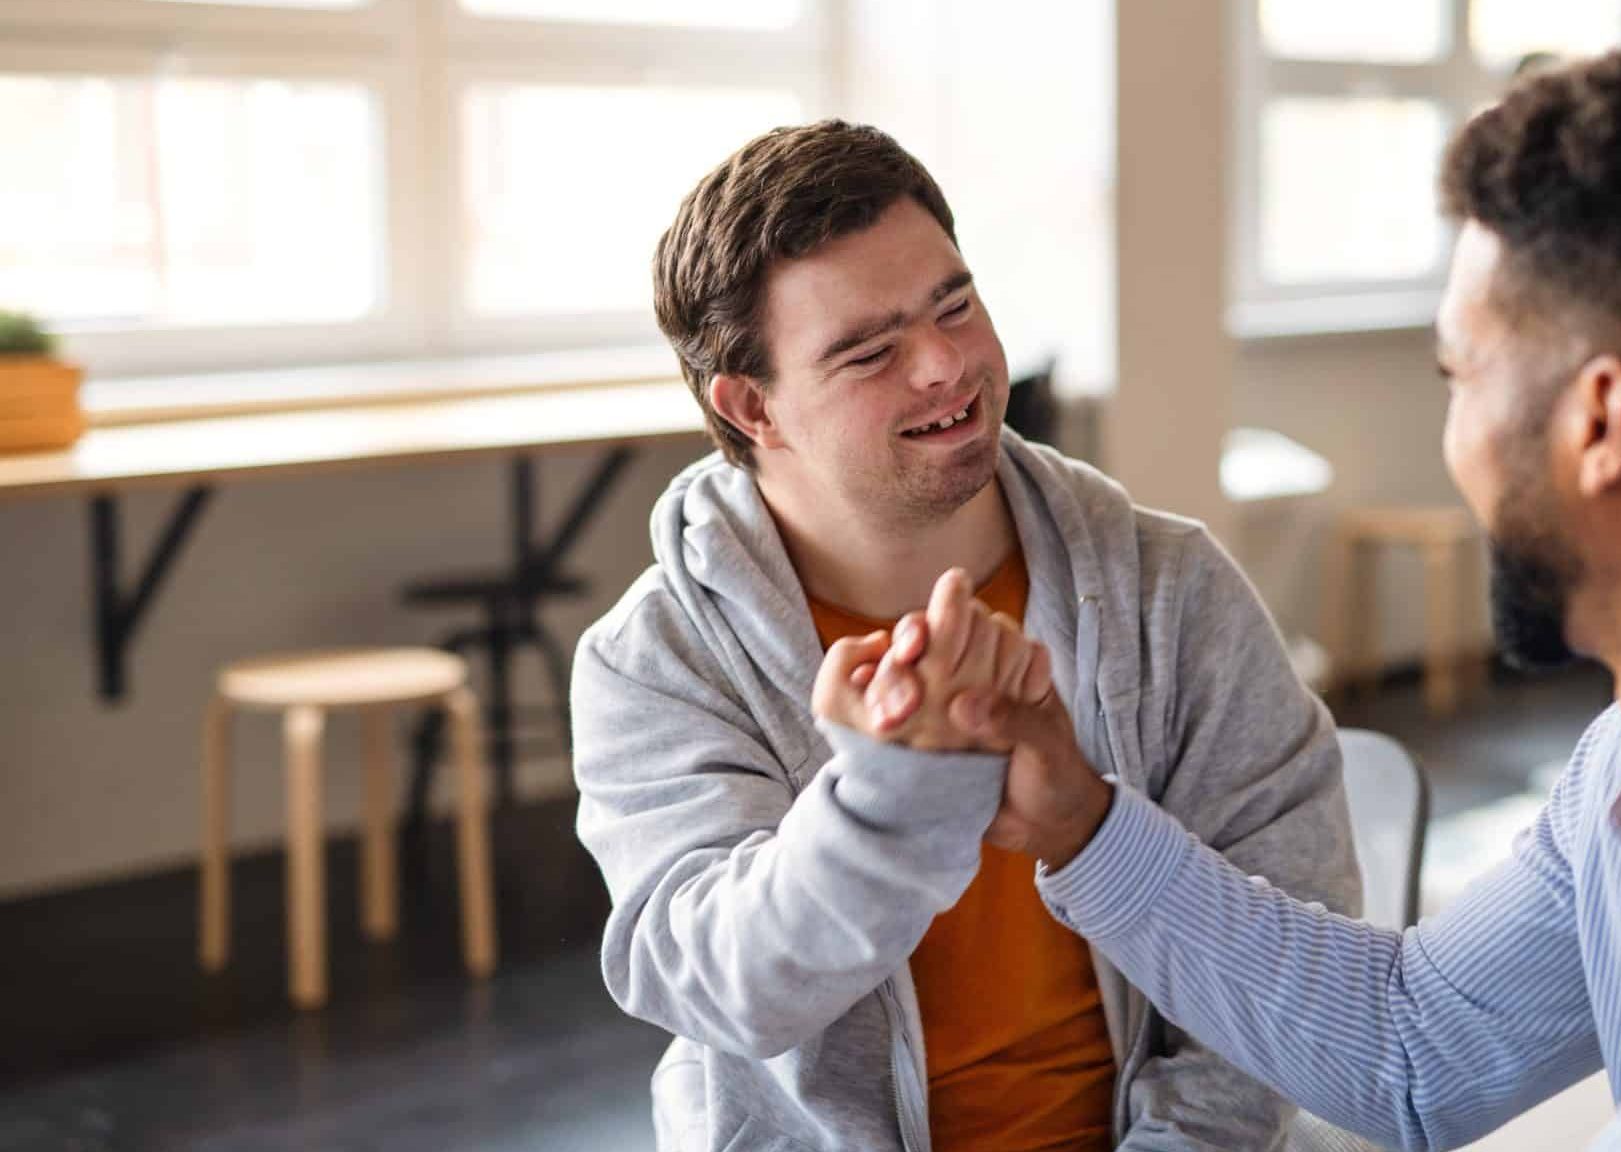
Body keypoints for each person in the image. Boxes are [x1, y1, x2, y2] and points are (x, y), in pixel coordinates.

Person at [841, 39, 1621, 1150]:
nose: (1451, 434)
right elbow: (1416, 1047)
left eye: (1459, 373)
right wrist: (1081, 823)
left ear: (1599, 422)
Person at [570, 119, 1360, 1150]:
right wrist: (892, 799)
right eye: (868, 351)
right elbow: (724, 989)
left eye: (955, 304)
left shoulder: (1170, 590)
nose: (946, 365)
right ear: (749, 405)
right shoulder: (658, 659)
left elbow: (1285, 954)